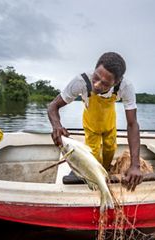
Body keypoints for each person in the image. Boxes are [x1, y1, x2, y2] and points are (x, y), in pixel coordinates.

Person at [47, 52, 143, 191]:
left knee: (110, 149)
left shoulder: (126, 87)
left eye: (105, 83)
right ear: (95, 68)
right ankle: (95, 178)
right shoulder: (81, 81)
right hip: (91, 124)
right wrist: (57, 126)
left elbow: (132, 124)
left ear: (116, 82)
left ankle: (105, 171)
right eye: (96, 78)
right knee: (93, 154)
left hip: (109, 123)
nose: (97, 85)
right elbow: (52, 106)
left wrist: (135, 165)